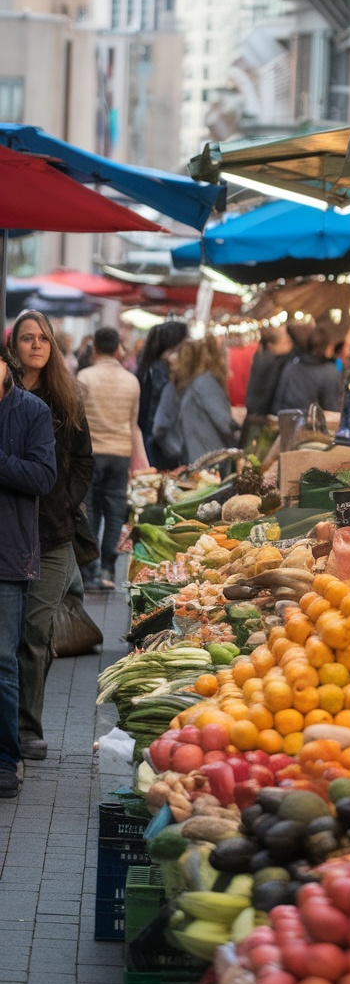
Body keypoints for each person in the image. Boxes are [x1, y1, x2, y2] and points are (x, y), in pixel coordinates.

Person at [9, 311, 94, 761]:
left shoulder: (67, 399)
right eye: (27, 338)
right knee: (9, 636)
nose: (36, 345)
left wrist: (67, 500)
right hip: (9, 531)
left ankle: (28, 728)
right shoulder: (6, 394)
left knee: (35, 632)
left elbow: (84, 460)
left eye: (43, 338)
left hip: (54, 534)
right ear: (14, 346)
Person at [0, 341, 57, 798]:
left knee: (3, 660)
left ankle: (5, 759)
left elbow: (42, 477)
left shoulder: (32, 411)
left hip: (7, 553)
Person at [77, 326, 141, 591]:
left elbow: (76, 421)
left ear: (95, 349)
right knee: (115, 513)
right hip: (119, 453)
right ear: (117, 349)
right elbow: (133, 423)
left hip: (90, 454)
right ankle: (108, 568)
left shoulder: (84, 377)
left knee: (89, 511)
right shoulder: (131, 381)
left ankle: (90, 571)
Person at [174, 336, 237, 463]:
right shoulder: (204, 382)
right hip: (209, 458)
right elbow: (224, 422)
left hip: (198, 455)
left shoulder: (192, 383)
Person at [136, 320, 188, 465]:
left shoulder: (147, 369)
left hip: (146, 449)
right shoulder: (163, 375)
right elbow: (158, 426)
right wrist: (175, 450)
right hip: (158, 454)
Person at [274, 325, 343, 414]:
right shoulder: (331, 372)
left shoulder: (291, 366)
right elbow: (332, 407)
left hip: (289, 421)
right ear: (327, 347)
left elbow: (279, 399)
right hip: (314, 425)